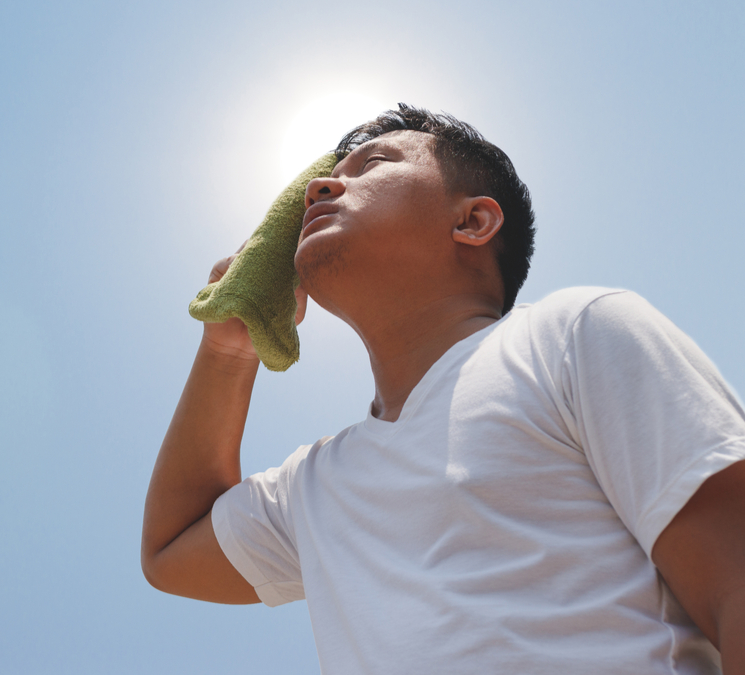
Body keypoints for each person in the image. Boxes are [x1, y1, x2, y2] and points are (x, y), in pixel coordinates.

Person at [141, 104, 745, 673]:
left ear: (473, 221)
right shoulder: (315, 485)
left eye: (373, 165)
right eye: (325, 179)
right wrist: (227, 350)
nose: (319, 188)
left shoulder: (570, 334)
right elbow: (171, 551)